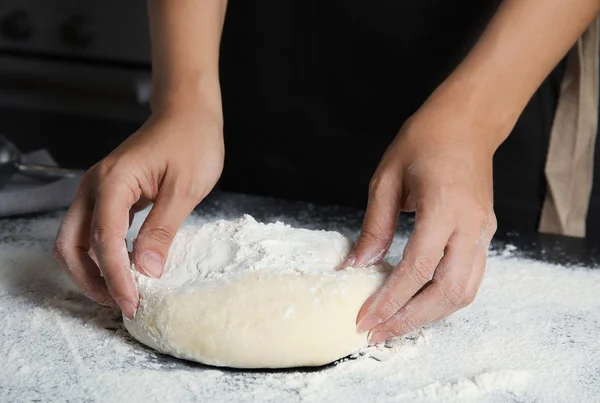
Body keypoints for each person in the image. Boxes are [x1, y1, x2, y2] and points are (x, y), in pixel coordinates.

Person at [53, 0, 600, 345]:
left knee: (444, 262)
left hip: (498, 56)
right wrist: (185, 96)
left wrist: (474, 119)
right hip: (261, 50)